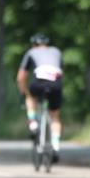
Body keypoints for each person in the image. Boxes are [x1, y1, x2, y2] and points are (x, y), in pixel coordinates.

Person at [16, 33, 63, 162]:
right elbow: (60, 71)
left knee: (30, 97)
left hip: (40, 81)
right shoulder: (56, 51)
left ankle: (33, 123)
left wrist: (23, 93)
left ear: (34, 44)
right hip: (56, 83)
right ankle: (55, 145)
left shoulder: (31, 52)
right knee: (55, 116)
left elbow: (20, 77)